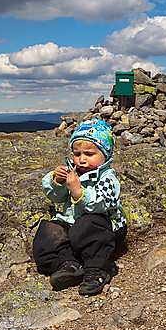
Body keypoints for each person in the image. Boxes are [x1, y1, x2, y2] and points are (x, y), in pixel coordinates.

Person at [33, 119, 126, 296]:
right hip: (73, 224)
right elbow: (56, 197)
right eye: (77, 154)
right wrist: (57, 181)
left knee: (87, 226)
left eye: (89, 154)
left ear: (105, 154)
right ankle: (68, 264)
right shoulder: (74, 171)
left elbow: (103, 204)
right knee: (48, 229)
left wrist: (79, 193)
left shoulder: (107, 178)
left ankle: (97, 269)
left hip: (105, 228)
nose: (81, 159)